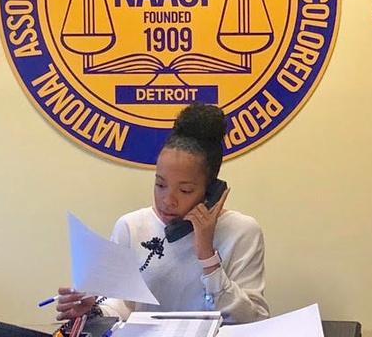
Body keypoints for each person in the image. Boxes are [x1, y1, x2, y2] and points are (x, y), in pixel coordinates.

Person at [57, 103, 269, 324]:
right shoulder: (131, 226)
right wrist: (95, 310)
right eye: (160, 185)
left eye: (185, 190)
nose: (168, 200)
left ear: (210, 191)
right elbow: (122, 304)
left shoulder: (243, 231)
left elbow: (252, 320)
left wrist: (208, 257)